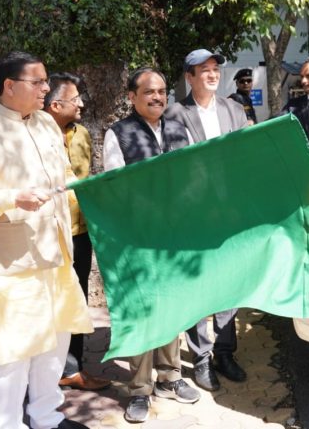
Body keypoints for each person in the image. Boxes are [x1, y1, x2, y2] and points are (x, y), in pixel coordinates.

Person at [0, 51, 93, 429]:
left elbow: (63, 174)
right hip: (14, 266)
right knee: (14, 355)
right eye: (38, 82)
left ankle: (46, 416)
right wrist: (12, 198)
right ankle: (7, 424)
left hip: (58, 256)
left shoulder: (46, 123)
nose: (47, 88)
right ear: (9, 86)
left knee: (55, 343)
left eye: (46, 81)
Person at [103, 67, 201, 423]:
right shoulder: (118, 134)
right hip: (138, 240)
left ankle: (170, 378)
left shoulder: (178, 128)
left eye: (162, 91)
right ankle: (139, 388)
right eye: (149, 92)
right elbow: (116, 188)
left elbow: (192, 175)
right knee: (141, 311)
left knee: (172, 306)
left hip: (174, 239)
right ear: (132, 97)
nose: (158, 97)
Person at [165, 48, 249, 392]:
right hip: (194, 213)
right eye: (204, 70)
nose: (213, 74)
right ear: (189, 77)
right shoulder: (175, 113)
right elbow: (177, 162)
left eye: (216, 69)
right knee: (199, 285)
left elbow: (244, 156)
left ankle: (225, 353)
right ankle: (200, 357)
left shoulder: (233, 109)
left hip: (230, 212)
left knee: (230, 284)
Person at [43, 73, 109, 392]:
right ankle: (45, 373)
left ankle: (74, 368)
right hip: (47, 235)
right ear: (55, 105)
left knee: (78, 299)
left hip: (79, 234)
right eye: (75, 99)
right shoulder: (32, 136)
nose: (82, 103)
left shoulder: (81, 133)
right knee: (49, 304)